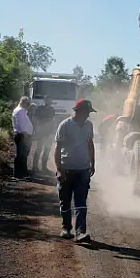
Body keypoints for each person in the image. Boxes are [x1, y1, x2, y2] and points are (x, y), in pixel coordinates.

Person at [54, 98, 96, 242]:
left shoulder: (89, 125)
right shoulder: (64, 125)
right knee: (65, 201)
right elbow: (58, 148)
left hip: (83, 169)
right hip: (67, 169)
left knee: (81, 202)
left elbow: (90, 144)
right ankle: (66, 228)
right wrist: (59, 169)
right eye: (87, 112)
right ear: (79, 111)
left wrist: (93, 163)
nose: (89, 115)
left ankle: (80, 233)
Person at [12, 97, 34, 179]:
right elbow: (21, 124)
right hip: (22, 135)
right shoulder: (20, 111)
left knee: (23, 155)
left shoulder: (20, 110)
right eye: (27, 103)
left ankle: (23, 172)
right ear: (24, 102)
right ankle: (18, 174)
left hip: (22, 135)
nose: (28, 105)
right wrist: (25, 134)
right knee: (20, 155)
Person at [32, 96, 56, 173]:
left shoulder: (52, 109)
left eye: (49, 100)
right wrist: (35, 130)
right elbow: (35, 119)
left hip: (49, 133)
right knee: (39, 149)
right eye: (47, 100)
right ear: (44, 100)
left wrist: (53, 132)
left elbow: (52, 121)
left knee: (47, 150)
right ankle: (35, 167)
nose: (48, 102)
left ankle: (44, 167)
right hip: (41, 132)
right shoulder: (39, 108)